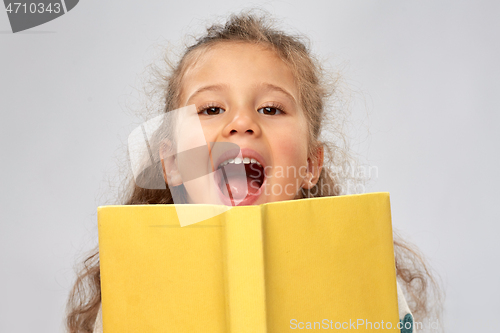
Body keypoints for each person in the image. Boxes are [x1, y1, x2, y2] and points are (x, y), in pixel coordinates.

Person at [65, 10, 441, 333]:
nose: (241, 122)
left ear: (310, 165)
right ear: (174, 164)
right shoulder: (133, 283)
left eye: (271, 109)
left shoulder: (363, 276)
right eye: (211, 109)